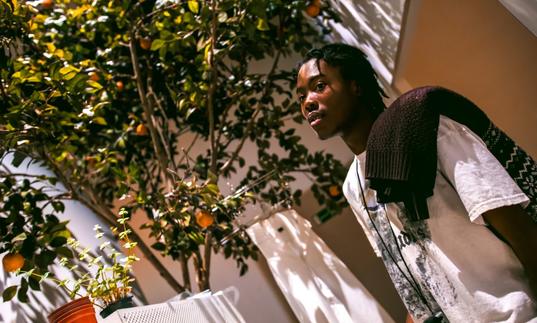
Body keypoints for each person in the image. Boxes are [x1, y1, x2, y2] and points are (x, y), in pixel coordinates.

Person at [295, 43, 537, 323]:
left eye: (319, 86)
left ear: (355, 86)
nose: (308, 102)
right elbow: (417, 270)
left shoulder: (428, 132)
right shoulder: (353, 186)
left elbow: (519, 226)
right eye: (301, 96)